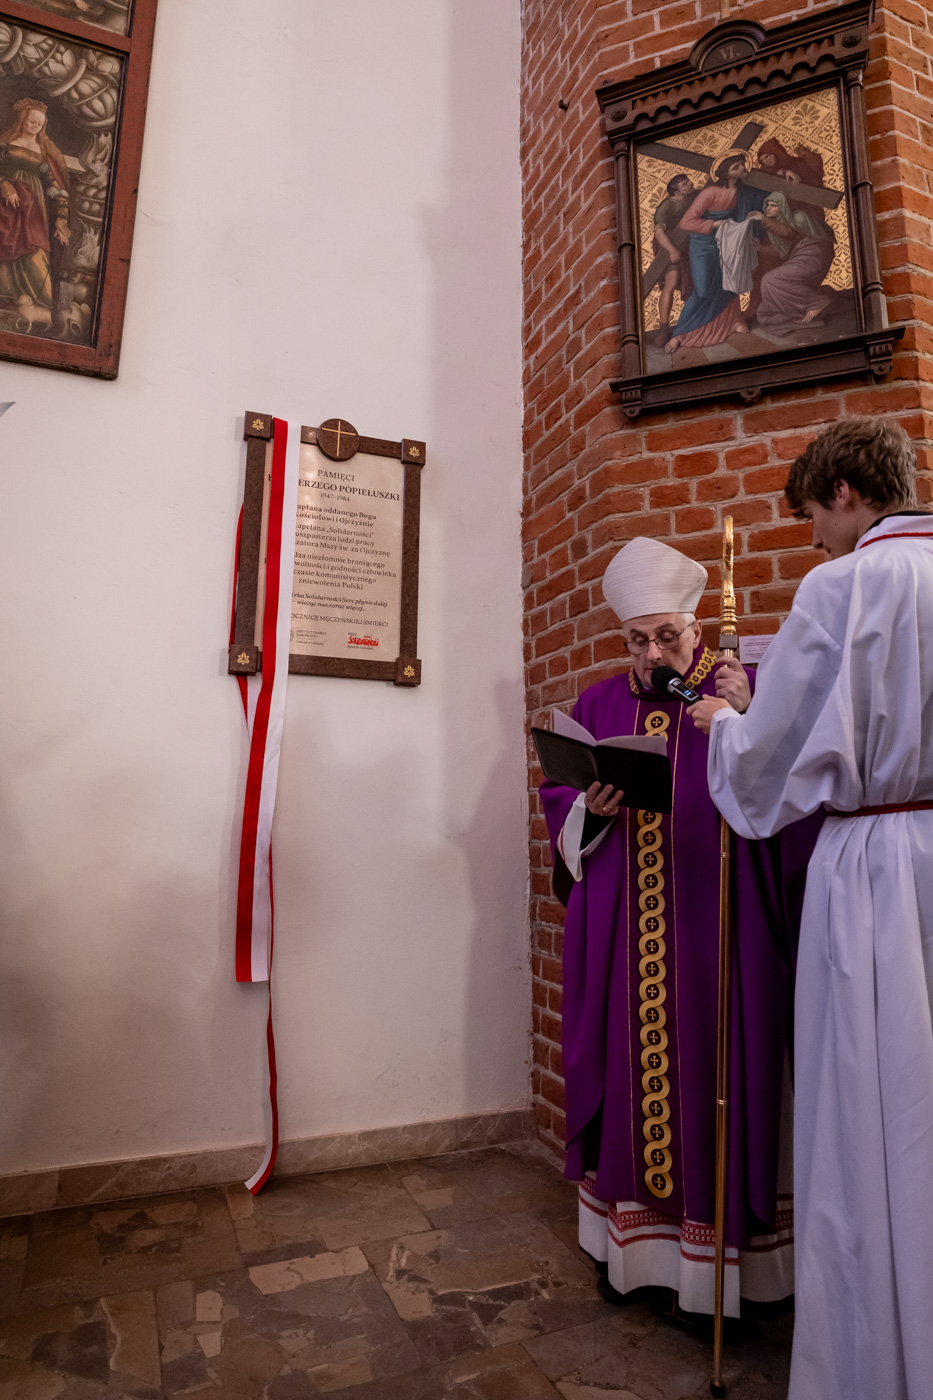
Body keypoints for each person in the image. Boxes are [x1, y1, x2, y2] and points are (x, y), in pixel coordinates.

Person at [689, 419, 933, 1400]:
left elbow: (767, 767)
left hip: (874, 865)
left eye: (813, 519)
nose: (816, 540)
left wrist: (723, 723)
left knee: (873, 1106)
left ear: (842, 492)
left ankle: (878, 1361)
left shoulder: (844, 586)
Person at [539, 536, 818, 1320]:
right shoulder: (597, 705)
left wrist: (748, 718)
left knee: (718, 1071)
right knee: (629, 1076)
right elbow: (559, 798)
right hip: (625, 932)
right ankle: (635, 1259)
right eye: (636, 640)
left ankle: (724, 1279)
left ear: (696, 628)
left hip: (717, 925)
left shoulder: (735, 694)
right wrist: (586, 812)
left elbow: (795, 793)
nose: (652, 654)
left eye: (666, 636)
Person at [664, 149, 766, 354]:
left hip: (729, 242)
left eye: (742, 165)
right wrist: (714, 224)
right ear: (725, 172)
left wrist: (783, 173)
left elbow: (767, 196)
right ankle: (680, 333)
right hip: (703, 245)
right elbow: (687, 222)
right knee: (702, 290)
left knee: (729, 282)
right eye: (736, 167)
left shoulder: (744, 192)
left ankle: (734, 321)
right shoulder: (710, 193)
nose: (742, 168)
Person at [0, 100, 70, 323]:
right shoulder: (6, 145)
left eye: (40, 123)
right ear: (22, 120)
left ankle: (40, 305)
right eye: (32, 121)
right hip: (5, 204)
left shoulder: (43, 152)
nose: (35, 126)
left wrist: (61, 219)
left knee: (34, 250)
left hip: (33, 207)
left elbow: (55, 186)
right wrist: (4, 184)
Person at [753, 192, 836, 333]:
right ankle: (796, 314)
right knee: (768, 281)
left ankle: (817, 302)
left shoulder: (798, 217)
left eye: (773, 205)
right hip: (800, 255)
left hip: (815, 253)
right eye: (767, 205)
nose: (768, 208)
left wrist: (764, 219)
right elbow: (781, 252)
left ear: (783, 207)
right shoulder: (775, 229)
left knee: (773, 279)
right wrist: (761, 249)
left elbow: (788, 233)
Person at [644, 174, 695, 347]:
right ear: (676, 190)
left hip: (690, 246)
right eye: (684, 184)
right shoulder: (666, 206)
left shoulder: (692, 198)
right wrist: (672, 250)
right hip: (669, 247)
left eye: (688, 181)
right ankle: (664, 328)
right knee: (671, 281)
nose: (690, 184)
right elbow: (659, 234)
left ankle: (695, 320)